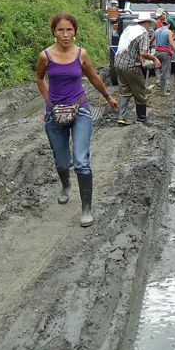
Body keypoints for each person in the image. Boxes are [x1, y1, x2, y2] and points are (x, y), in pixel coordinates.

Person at [36, 12, 118, 227]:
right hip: (55, 112)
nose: (65, 34)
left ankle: (86, 208)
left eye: (69, 30)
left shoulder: (81, 54)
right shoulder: (45, 55)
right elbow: (39, 78)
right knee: (62, 160)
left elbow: (93, 77)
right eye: (60, 30)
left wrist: (108, 97)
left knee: (81, 160)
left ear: (75, 32)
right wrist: (48, 103)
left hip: (80, 108)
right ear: (54, 32)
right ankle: (65, 185)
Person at [115, 12, 161, 124]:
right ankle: (142, 117)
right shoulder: (143, 33)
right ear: (147, 22)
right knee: (140, 91)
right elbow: (143, 53)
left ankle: (121, 117)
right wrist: (154, 59)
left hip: (118, 63)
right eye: (149, 23)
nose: (150, 25)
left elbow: (130, 49)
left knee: (124, 91)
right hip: (131, 66)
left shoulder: (129, 29)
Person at [152, 18, 175, 95]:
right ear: (169, 25)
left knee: (157, 66)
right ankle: (163, 91)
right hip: (165, 54)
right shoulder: (169, 32)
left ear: (163, 24)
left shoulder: (156, 31)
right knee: (165, 72)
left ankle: (158, 78)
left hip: (157, 52)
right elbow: (171, 43)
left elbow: (151, 41)